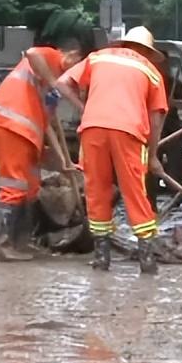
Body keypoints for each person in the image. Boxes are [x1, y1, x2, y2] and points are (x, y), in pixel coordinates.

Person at [56, 26, 168, 275]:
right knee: (135, 192)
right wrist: (152, 155)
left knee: (96, 190)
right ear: (148, 51)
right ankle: (147, 259)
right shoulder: (151, 72)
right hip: (128, 132)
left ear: (125, 44)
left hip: (93, 128)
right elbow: (157, 118)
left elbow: (63, 83)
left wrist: (84, 108)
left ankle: (101, 258)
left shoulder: (98, 57)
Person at [0, 37, 84, 261]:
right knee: (14, 184)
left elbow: (49, 124)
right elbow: (32, 53)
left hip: (25, 134)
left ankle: (22, 243)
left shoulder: (52, 84)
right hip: (9, 126)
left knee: (32, 187)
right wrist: (54, 82)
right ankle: (0, 246)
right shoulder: (51, 58)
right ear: (72, 55)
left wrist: (64, 160)